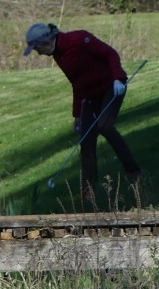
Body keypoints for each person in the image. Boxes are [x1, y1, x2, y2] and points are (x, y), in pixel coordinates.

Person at [23, 22, 142, 204]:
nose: (38, 53)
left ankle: (134, 173)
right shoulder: (58, 55)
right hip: (91, 95)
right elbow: (76, 84)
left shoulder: (78, 39)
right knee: (85, 143)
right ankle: (88, 195)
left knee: (104, 125)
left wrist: (118, 78)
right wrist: (77, 114)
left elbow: (110, 54)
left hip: (112, 85)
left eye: (37, 48)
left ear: (46, 41)